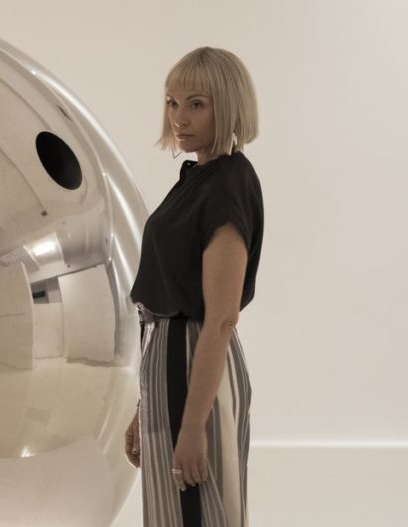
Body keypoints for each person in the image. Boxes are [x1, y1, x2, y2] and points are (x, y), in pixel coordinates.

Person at [123, 47, 264, 526]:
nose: (179, 117)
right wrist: (145, 406)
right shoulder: (198, 178)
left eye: (197, 104)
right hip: (168, 363)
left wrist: (192, 426)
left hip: (194, 364)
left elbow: (220, 317)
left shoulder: (227, 185)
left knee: (200, 515)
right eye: (172, 102)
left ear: (228, 106)